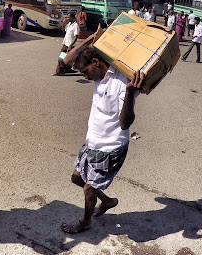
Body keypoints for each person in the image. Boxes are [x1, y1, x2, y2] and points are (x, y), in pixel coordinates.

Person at [60, 36, 145, 233]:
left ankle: (85, 222)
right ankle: (106, 201)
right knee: (76, 178)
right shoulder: (97, 73)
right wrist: (93, 38)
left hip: (110, 147)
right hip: (93, 140)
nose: (85, 77)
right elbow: (65, 61)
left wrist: (130, 94)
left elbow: (125, 124)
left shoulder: (123, 80)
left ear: (96, 62)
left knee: (89, 188)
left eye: (86, 72)